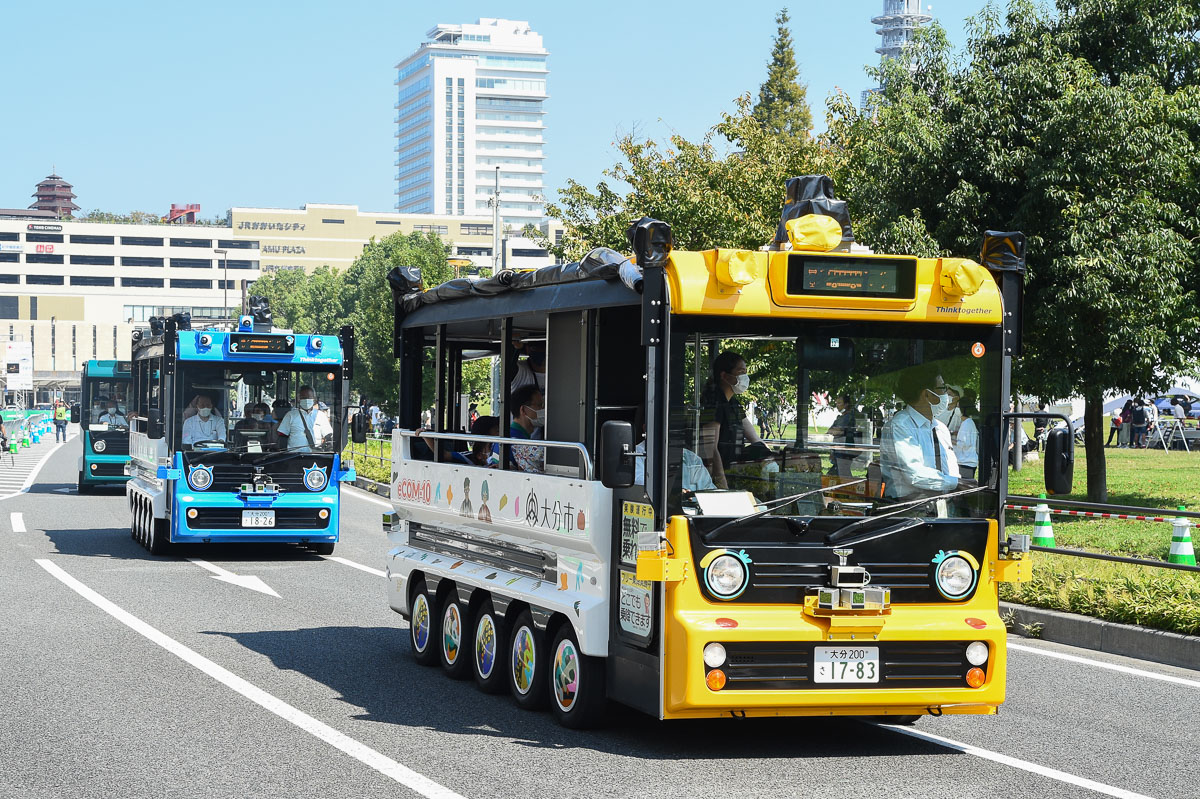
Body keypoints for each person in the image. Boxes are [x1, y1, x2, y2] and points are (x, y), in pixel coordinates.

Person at [879, 365, 960, 500]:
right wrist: (956, 483)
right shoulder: (900, 426)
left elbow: (951, 469)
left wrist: (957, 488)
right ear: (927, 394)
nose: (946, 395)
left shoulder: (940, 428)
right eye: (942, 388)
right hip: (910, 508)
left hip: (943, 505)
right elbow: (914, 474)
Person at [699, 351, 765, 478]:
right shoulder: (712, 403)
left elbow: (755, 439)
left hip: (733, 471)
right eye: (741, 372)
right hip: (718, 475)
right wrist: (721, 484)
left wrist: (771, 457)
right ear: (724, 375)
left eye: (746, 372)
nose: (745, 377)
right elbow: (711, 449)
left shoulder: (734, 404)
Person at [276, 386, 333, 453]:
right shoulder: (290, 415)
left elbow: (328, 435)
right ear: (298, 399)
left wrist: (327, 449)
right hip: (294, 457)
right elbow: (283, 436)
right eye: (303, 398)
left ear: (314, 399)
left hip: (315, 457)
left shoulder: (320, 415)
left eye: (309, 397)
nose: (306, 400)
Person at [507, 384, 544, 473]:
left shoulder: (510, 435)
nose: (543, 410)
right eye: (539, 405)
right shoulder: (514, 440)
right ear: (523, 410)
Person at [827, 393, 859, 478]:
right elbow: (830, 430)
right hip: (838, 449)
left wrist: (836, 431)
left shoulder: (848, 417)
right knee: (838, 472)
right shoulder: (841, 417)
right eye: (836, 403)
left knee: (843, 473)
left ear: (846, 404)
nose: (837, 405)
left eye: (839, 403)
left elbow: (838, 431)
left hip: (844, 450)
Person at [953, 390, 980, 479]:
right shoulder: (969, 422)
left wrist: (950, 441)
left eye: (957, 407)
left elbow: (963, 444)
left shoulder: (966, 423)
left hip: (965, 461)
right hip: (969, 460)